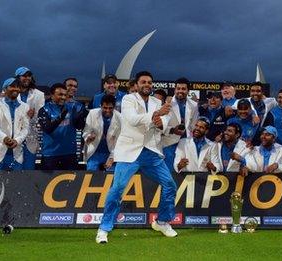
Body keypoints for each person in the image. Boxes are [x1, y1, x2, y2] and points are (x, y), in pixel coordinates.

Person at [96, 71, 177, 244]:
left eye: (149, 82)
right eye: (143, 82)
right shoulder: (128, 99)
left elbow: (164, 122)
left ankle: (162, 221)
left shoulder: (157, 101)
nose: (147, 84)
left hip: (151, 152)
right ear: (137, 84)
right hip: (129, 151)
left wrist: (160, 121)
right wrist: (156, 115)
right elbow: (132, 119)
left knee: (170, 184)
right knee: (117, 189)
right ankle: (104, 228)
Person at [0, 78, 29, 170]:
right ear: (5, 88)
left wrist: (18, 140)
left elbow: (26, 128)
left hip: (16, 154)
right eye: (12, 86)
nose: (15, 89)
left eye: (17, 87)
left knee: (14, 184)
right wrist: (5, 138)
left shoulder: (25, 106)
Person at [38, 83, 85, 170]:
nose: (63, 97)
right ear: (52, 95)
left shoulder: (72, 108)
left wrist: (80, 117)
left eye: (65, 95)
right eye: (60, 94)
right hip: (50, 154)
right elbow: (47, 129)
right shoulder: (44, 110)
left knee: (70, 183)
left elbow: (79, 126)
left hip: (70, 153)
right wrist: (61, 117)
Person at [162, 77, 199, 171]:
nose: (180, 91)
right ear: (175, 89)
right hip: (169, 143)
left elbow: (194, 125)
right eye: (178, 88)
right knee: (169, 171)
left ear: (188, 91)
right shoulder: (167, 103)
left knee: (184, 171)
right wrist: (173, 130)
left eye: (183, 89)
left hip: (185, 143)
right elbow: (160, 125)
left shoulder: (194, 105)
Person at [15, 66, 45, 170]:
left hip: (30, 137)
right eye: (24, 76)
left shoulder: (39, 95)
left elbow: (41, 116)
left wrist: (33, 116)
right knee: (15, 170)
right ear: (17, 77)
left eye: (29, 76)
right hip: (14, 137)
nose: (27, 78)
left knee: (29, 169)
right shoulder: (10, 91)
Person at [83, 94, 121, 171]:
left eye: (110, 108)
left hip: (110, 152)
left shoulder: (120, 118)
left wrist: (112, 157)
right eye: (105, 108)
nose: (107, 110)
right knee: (90, 175)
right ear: (100, 106)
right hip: (94, 152)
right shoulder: (92, 114)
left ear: (114, 107)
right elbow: (86, 131)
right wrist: (89, 137)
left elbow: (120, 142)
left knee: (111, 177)